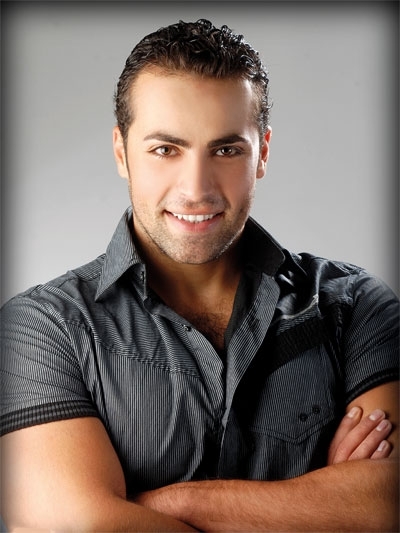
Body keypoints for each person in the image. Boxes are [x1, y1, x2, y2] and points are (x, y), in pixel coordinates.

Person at [1, 19, 398, 532]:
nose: (196, 189)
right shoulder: (39, 330)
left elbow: (387, 503)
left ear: (263, 153)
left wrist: (165, 505)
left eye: (226, 150)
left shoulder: (355, 305)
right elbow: (82, 524)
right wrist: (322, 505)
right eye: (166, 150)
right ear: (122, 152)